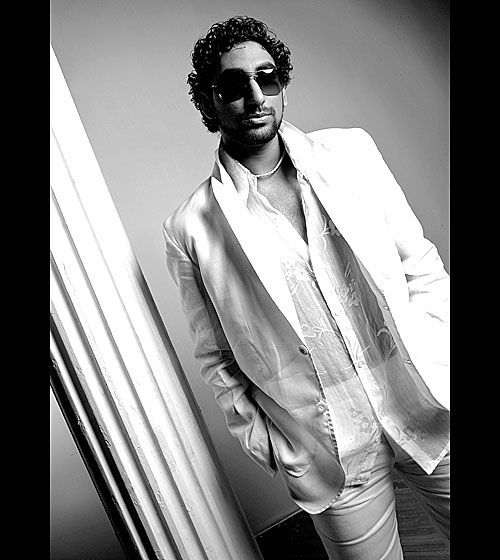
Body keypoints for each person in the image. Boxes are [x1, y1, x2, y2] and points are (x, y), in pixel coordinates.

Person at [163, 15, 450, 560]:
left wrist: (443, 359)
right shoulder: (191, 227)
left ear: (282, 85)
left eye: (266, 77)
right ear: (210, 101)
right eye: (233, 84)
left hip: (423, 400)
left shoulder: (352, 153)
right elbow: (218, 359)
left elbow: (419, 264)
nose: (255, 96)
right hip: (332, 452)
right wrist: (276, 448)